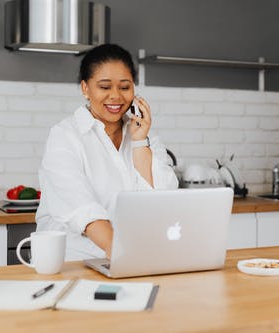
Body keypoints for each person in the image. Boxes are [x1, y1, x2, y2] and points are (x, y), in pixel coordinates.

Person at [35, 44, 179, 261]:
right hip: (74, 264)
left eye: (124, 87)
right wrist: (121, 251)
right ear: (85, 88)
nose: (116, 96)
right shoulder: (64, 136)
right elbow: (82, 209)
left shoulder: (144, 135)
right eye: (104, 87)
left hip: (133, 259)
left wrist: (140, 143)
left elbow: (162, 199)